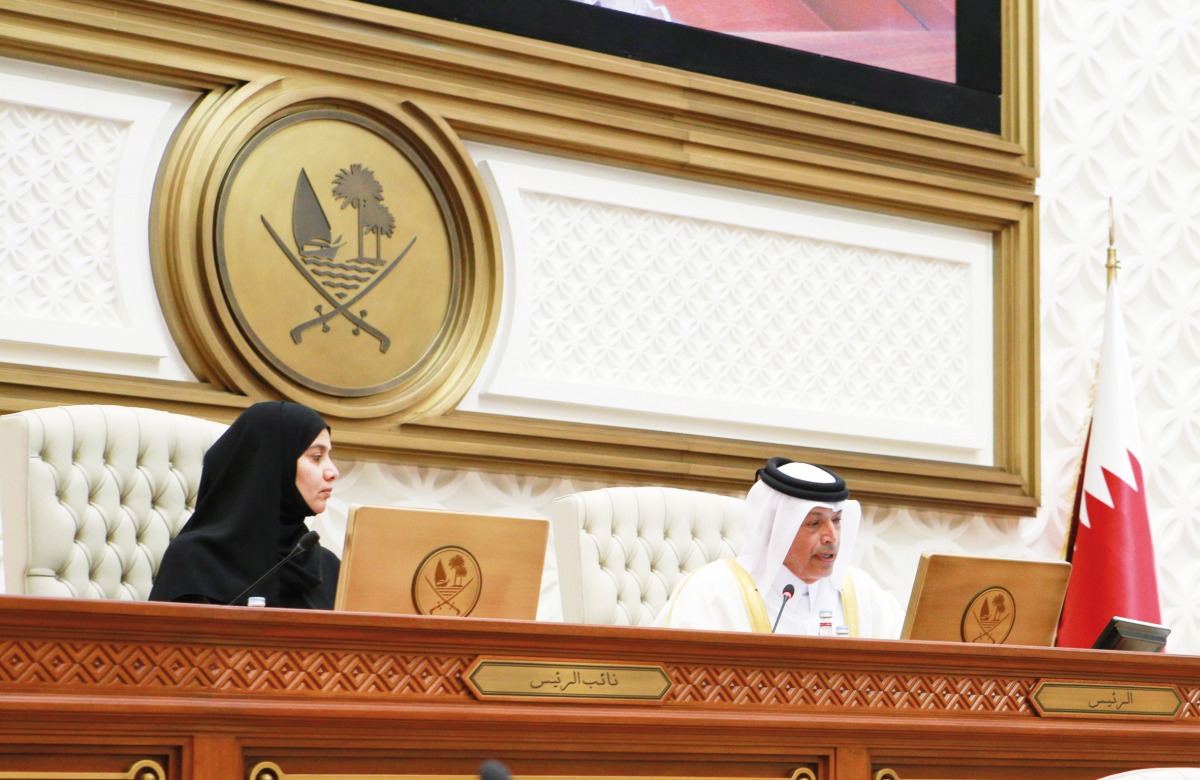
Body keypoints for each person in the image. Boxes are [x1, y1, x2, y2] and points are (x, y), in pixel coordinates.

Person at [655, 457, 901, 638]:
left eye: (836, 521)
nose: (831, 537)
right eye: (814, 523)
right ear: (777, 528)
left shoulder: (862, 592)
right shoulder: (713, 592)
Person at [149, 400, 341, 608]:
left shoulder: (327, 567)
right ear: (273, 463)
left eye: (329, 457)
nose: (333, 472)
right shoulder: (194, 561)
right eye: (316, 457)